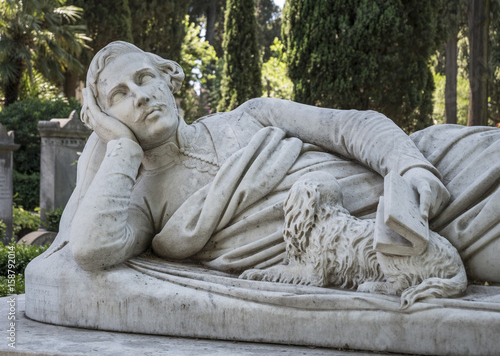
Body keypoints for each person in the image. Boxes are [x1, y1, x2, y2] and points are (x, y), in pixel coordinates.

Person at [66, 41, 498, 283]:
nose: (139, 95)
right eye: (118, 95)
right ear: (105, 118)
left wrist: (410, 166)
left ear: (168, 80)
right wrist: (121, 148)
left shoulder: (249, 114)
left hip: (416, 178)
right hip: (386, 244)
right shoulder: (146, 206)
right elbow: (89, 249)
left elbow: (349, 126)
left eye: (144, 78)